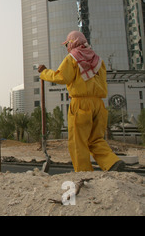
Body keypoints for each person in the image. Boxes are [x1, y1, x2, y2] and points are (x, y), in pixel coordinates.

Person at [38, 31, 125, 172]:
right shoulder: (98, 60)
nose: (66, 47)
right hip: (99, 105)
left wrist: (44, 73)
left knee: (78, 142)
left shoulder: (72, 58)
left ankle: (83, 172)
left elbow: (61, 77)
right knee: (95, 139)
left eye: (67, 44)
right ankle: (111, 162)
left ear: (72, 43)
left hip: (81, 104)